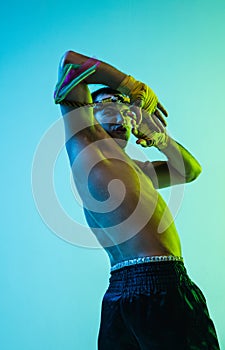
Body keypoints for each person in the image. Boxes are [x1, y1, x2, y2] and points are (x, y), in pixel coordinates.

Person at [54, 50, 220, 349]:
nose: (124, 112)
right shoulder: (86, 144)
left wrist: (161, 140)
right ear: (89, 111)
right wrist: (132, 87)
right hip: (162, 285)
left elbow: (191, 171)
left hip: (122, 294)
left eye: (127, 107)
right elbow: (72, 64)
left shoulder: (139, 170)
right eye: (111, 103)